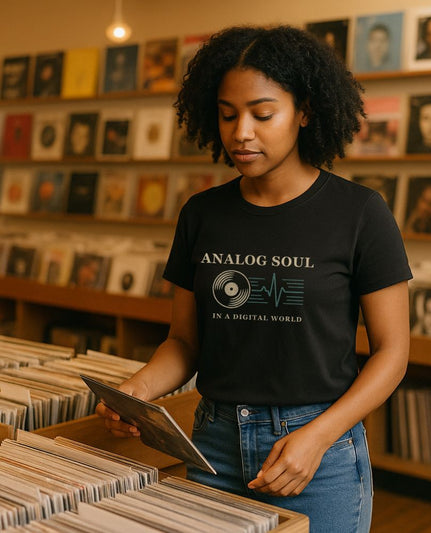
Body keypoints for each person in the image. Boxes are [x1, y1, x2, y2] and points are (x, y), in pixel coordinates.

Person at [96, 25, 412, 533]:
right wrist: (136, 391)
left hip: (319, 452)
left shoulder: (359, 213)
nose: (242, 131)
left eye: (263, 114)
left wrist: (320, 436)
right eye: (227, 114)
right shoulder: (202, 214)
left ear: (305, 112)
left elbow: (392, 353)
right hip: (213, 443)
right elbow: (183, 341)